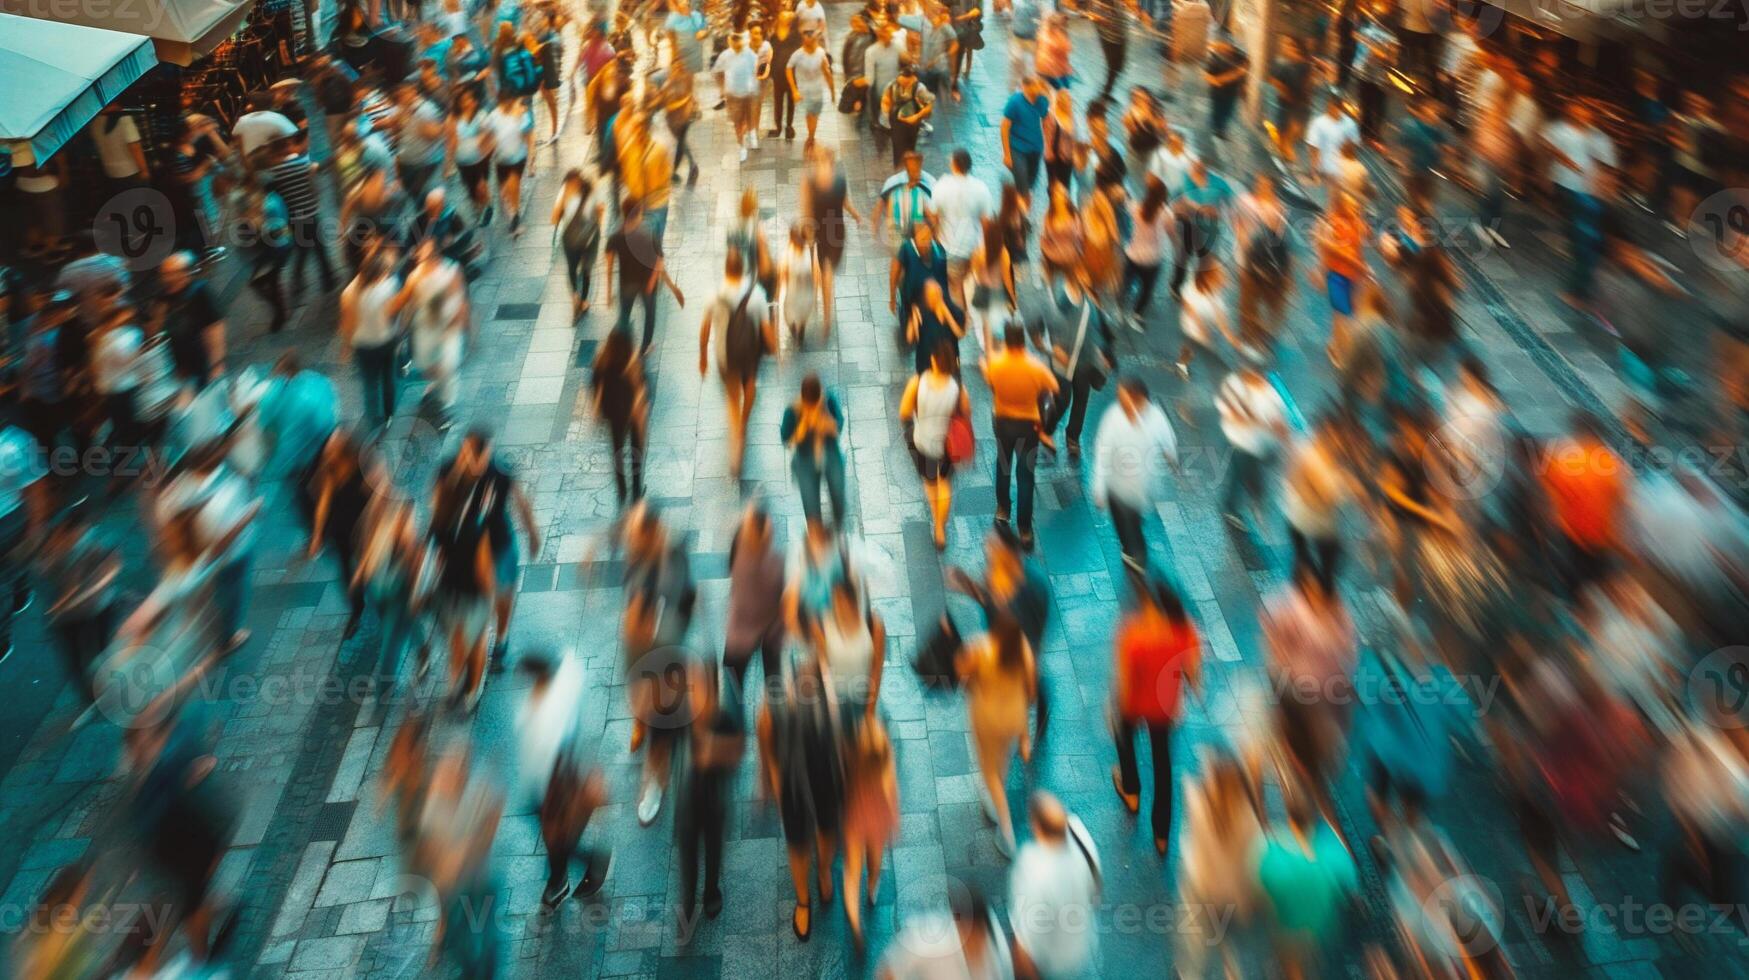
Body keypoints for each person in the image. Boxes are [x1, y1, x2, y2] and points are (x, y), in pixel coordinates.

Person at [436, 429, 540, 676]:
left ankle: (501, 641)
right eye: (467, 453)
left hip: (499, 542)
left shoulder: (500, 471)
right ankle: (473, 654)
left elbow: (520, 501)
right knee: (478, 600)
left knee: (504, 592)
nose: (473, 462)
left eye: (478, 455)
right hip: (466, 547)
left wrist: (533, 532)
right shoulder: (449, 471)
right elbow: (438, 508)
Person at [758, 654, 846, 941]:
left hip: (826, 779)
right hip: (794, 784)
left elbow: (841, 741)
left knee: (828, 832)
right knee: (797, 844)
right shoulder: (773, 708)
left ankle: (822, 870)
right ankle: (803, 900)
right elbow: (768, 752)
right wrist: (776, 787)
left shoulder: (829, 698)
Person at [958, 612, 1037, 854]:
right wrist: (1024, 734)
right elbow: (1032, 692)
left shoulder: (981, 648)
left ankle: (1006, 831)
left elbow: (962, 676)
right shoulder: (1022, 647)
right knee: (1001, 759)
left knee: (989, 771)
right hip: (1014, 716)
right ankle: (994, 795)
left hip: (988, 717)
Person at [676, 662, 744, 924]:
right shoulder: (682, 713)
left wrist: (712, 752)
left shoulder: (725, 717)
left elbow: (736, 753)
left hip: (715, 798)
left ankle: (711, 890)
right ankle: (688, 898)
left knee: (713, 847)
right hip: (686, 796)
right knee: (687, 849)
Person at [699, 249, 776, 477]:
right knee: (750, 385)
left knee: (732, 397)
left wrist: (702, 356)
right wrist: (774, 349)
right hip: (750, 353)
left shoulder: (714, 296)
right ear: (742, 270)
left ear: (726, 269)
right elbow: (766, 330)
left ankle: (736, 437)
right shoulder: (757, 295)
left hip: (726, 355)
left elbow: (704, 329)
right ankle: (744, 421)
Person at [1091, 377, 1178, 576]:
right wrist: (1099, 487)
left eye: (1124, 398)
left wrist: (1172, 459)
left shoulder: (1156, 418)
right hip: (1115, 482)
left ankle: (1136, 553)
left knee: (1130, 521)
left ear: (1139, 398)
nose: (1120, 402)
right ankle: (1129, 545)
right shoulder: (1114, 416)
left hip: (1140, 483)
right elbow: (1102, 451)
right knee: (1121, 519)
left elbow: (1168, 442)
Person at [1009, 792, 1101, 977]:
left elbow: (1025, 938)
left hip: (1052, 962)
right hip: (1082, 948)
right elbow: (1096, 888)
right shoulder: (1079, 833)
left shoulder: (1032, 866)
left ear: (1036, 827)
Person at [984, 322, 1059, 549]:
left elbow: (990, 383)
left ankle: (1002, 509)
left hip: (1003, 423)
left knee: (1003, 466)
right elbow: (1054, 386)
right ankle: (1025, 530)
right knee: (1025, 476)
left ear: (1006, 340)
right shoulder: (1035, 367)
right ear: (1023, 340)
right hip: (1028, 427)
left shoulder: (995, 364)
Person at [1040, 265, 1115, 459]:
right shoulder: (1061, 296)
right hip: (1063, 363)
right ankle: (1046, 429)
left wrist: (1104, 355)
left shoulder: (1092, 303)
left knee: (1081, 399)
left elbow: (1101, 332)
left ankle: (1073, 438)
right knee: (1063, 400)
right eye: (1082, 275)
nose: (1086, 280)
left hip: (1084, 362)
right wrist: (1055, 347)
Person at [902, 341, 972, 549]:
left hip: (922, 441)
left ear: (933, 360)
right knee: (945, 484)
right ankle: (940, 529)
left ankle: (935, 517)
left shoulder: (917, 382)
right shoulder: (958, 388)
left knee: (930, 482)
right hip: (947, 447)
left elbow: (904, 411)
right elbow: (966, 414)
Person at [399, 238, 472, 430]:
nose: (420, 255)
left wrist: (464, 323)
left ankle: (443, 409)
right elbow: (408, 305)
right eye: (420, 252)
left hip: (448, 329)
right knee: (429, 366)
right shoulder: (414, 276)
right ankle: (434, 390)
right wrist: (403, 329)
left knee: (448, 367)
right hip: (426, 329)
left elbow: (460, 299)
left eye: (424, 252)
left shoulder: (450, 270)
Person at [841, 717, 900, 948]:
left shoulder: (852, 764)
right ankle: (872, 892)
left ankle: (855, 923)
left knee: (852, 873)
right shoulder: (886, 768)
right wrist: (894, 824)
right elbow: (892, 798)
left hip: (855, 819)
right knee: (875, 863)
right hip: (877, 821)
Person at [605, 202, 685, 354]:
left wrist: (608, 293)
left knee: (624, 316)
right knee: (649, 315)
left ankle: (621, 347)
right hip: (647, 285)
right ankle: (645, 346)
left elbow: (608, 266)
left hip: (626, 283)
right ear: (639, 212)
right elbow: (659, 263)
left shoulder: (615, 236)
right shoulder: (649, 235)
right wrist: (656, 284)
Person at [339, 248, 404, 429]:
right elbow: (396, 314)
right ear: (379, 273)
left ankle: (374, 422)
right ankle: (389, 413)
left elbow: (347, 324)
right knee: (388, 377)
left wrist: (346, 347)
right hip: (387, 341)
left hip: (363, 345)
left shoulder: (348, 293)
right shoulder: (390, 285)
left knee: (369, 383)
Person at [1218, 367, 1289, 530]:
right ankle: (1231, 508)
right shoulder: (1234, 384)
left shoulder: (1271, 395)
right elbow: (1231, 414)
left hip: (1259, 446)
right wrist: (1260, 422)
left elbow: (1279, 423)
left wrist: (1278, 429)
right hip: (1239, 443)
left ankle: (1251, 500)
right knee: (1239, 478)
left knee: (1249, 476)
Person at [724, 503, 786, 694]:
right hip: (770, 633)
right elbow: (781, 600)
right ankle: (775, 720)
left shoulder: (739, 544)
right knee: (774, 685)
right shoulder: (776, 562)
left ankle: (736, 722)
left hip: (740, 634)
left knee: (733, 686)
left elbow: (729, 567)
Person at [801, 148, 860, 336]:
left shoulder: (815, 181)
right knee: (824, 271)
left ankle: (825, 314)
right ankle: (825, 314)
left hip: (830, 233)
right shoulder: (817, 182)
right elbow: (807, 210)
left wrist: (857, 216)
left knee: (825, 271)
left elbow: (807, 209)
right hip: (828, 233)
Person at [781, 374, 849, 528]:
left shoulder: (828, 400)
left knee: (838, 493)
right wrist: (802, 429)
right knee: (810, 503)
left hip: (830, 454)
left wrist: (827, 424)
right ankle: (815, 531)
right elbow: (785, 438)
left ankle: (839, 525)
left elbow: (839, 424)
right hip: (805, 460)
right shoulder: (793, 410)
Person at [931, 149, 995, 311]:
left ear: (953, 164)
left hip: (950, 246)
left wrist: (935, 239)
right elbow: (987, 223)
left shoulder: (942, 186)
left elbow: (934, 217)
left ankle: (961, 319)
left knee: (955, 286)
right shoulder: (981, 188)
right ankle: (967, 314)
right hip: (973, 247)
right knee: (967, 282)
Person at [589, 329, 648, 504]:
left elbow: (594, 385)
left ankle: (622, 491)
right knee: (636, 449)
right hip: (631, 412)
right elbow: (641, 388)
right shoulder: (633, 362)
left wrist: (597, 409)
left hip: (614, 413)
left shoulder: (601, 360)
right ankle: (636, 491)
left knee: (618, 451)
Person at [1122, 176, 1173, 328]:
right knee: (1146, 290)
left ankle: (1121, 302)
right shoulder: (1167, 214)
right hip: (1153, 260)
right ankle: (1137, 313)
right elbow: (1171, 233)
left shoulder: (1137, 208)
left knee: (1126, 281)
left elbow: (1125, 202)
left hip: (1133, 255)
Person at [554, 169, 604, 320]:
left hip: (569, 238)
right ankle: (583, 302)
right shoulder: (592, 192)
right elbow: (600, 210)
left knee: (571, 268)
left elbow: (554, 218)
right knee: (586, 269)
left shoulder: (565, 193)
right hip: (588, 238)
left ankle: (575, 295)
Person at [485, 93, 535, 235]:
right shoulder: (493, 116)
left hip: (518, 158)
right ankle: (513, 213)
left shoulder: (521, 113)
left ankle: (515, 216)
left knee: (513, 185)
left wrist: (531, 161)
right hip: (501, 160)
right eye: (502, 102)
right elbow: (488, 137)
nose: (505, 105)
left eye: (509, 101)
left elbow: (530, 137)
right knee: (504, 192)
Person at [1002, 75, 1050, 202]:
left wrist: (1048, 145)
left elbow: (1046, 119)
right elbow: (1004, 126)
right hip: (1017, 149)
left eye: (1040, 86)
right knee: (1023, 187)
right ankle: (1021, 218)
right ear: (1026, 87)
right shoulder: (1015, 102)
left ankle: (1020, 209)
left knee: (1029, 187)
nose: (1040, 89)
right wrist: (1007, 154)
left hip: (1035, 149)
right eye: (1037, 86)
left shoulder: (1042, 100)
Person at [716, 30, 763, 160]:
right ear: (730, 42)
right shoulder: (724, 56)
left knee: (750, 117)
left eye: (738, 41)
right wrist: (721, 89)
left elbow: (756, 70)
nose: (736, 44)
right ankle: (741, 146)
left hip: (749, 92)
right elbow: (717, 72)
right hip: (733, 94)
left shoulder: (750, 55)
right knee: (737, 122)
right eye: (733, 41)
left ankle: (752, 133)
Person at [787, 29, 835, 147]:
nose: (811, 44)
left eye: (813, 41)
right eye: (807, 41)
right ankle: (811, 136)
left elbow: (827, 72)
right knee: (810, 113)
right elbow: (788, 68)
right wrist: (794, 90)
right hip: (804, 89)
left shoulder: (820, 53)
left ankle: (811, 134)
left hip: (817, 89)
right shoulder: (798, 54)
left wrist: (832, 90)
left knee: (815, 113)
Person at [880, 64, 935, 167]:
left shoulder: (919, 88)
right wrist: (886, 111)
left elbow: (929, 107)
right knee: (897, 145)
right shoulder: (892, 84)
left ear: (913, 78)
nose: (903, 84)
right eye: (901, 82)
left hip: (912, 123)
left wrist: (917, 117)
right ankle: (899, 165)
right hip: (896, 121)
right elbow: (885, 100)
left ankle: (907, 167)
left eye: (907, 83)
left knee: (910, 146)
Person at [779, 224, 820, 345]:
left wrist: (782, 288)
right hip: (807, 292)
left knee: (789, 316)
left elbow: (784, 274)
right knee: (802, 315)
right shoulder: (809, 251)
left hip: (793, 292)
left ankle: (794, 331)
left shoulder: (788, 254)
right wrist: (815, 290)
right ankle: (801, 331)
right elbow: (816, 272)